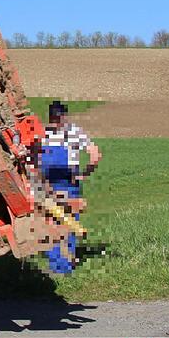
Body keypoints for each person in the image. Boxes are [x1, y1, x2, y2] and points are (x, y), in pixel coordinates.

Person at [34, 100, 101, 273]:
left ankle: (64, 265)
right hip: (48, 186)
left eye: (58, 117)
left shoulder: (71, 133)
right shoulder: (45, 134)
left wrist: (83, 175)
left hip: (67, 184)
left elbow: (95, 155)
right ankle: (57, 265)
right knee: (51, 223)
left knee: (67, 222)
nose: (56, 120)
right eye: (55, 117)